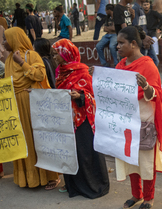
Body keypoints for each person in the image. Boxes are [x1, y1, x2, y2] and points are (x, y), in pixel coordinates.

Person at [115, 26, 162, 209]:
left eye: (121, 43)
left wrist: (146, 86)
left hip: (144, 120)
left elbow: (156, 94)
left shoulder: (148, 65)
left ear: (133, 43)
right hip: (126, 123)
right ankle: (136, 194)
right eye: (117, 43)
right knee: (130, 160)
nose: (118, 46)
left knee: (146, 161)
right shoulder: (120, 65)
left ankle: (149, 197)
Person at [2, 27, 60, 189]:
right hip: (16, 107)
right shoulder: (8, 60)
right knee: (23, 141)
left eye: (6, 39)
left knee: (38, 140)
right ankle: (29, 178)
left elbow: (40, 75)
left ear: (15, 40)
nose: (3, 42)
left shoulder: (31, 55)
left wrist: (22, 63)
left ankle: (50, 177)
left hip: (31, 105)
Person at [51, 39, 110, 199]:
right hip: (67, 119)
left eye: (56, 54)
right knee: (71, 152)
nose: (55, 57)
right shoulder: (60, 72)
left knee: (85, 153)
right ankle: (74, 185)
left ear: (65, 53)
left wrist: (81, 96)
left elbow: (94, 96)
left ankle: (93, 186)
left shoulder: (82, 72)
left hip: (83, 120)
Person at [133, 0, 159, 66]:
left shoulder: (141, 9)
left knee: (154, 61)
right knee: (143, 64)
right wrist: (143, 38)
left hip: (145, 38)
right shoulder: (135, 9)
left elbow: (143, 27)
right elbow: (136, 27)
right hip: (141, 40)